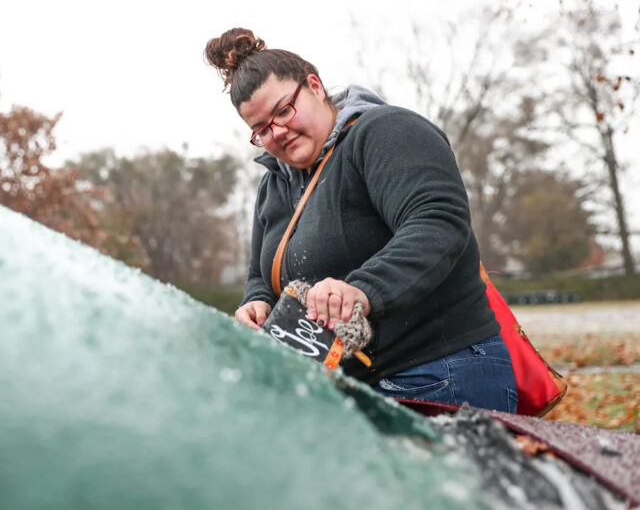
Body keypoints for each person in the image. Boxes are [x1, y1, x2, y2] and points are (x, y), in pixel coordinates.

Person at [204, 28, 518, 413]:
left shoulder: (385, 132)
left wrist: (361, 290)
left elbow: (437, 221)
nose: (278, 132)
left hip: (441, 374)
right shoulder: (273, 186)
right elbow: (260, 272)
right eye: (261, 129)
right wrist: (256, 303)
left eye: (283, 110)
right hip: (348, 391)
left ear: (315, 87)